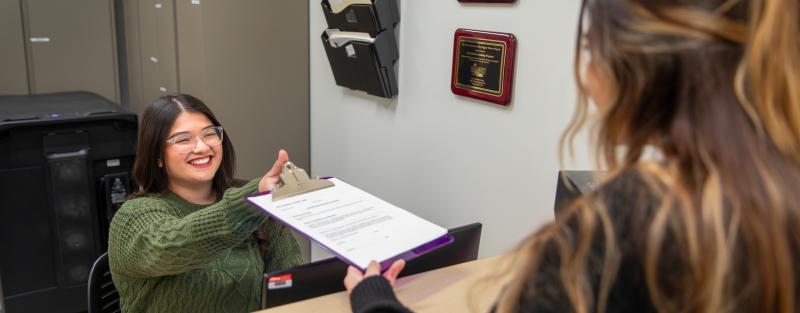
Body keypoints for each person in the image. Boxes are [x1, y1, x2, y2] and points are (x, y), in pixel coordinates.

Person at [343, 0, 800, 312]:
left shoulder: (630, 222)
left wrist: (373, 298)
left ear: (630, 63)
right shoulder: (777, 198)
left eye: (588, 45)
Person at [108, 94, 303, 313]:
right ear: (158, 157)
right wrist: (253, 199)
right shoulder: (133, 216)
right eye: (183, 139)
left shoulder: (255, 205)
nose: (201, 147)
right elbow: (173, 247)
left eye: (209, 134)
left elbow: (291, 284)